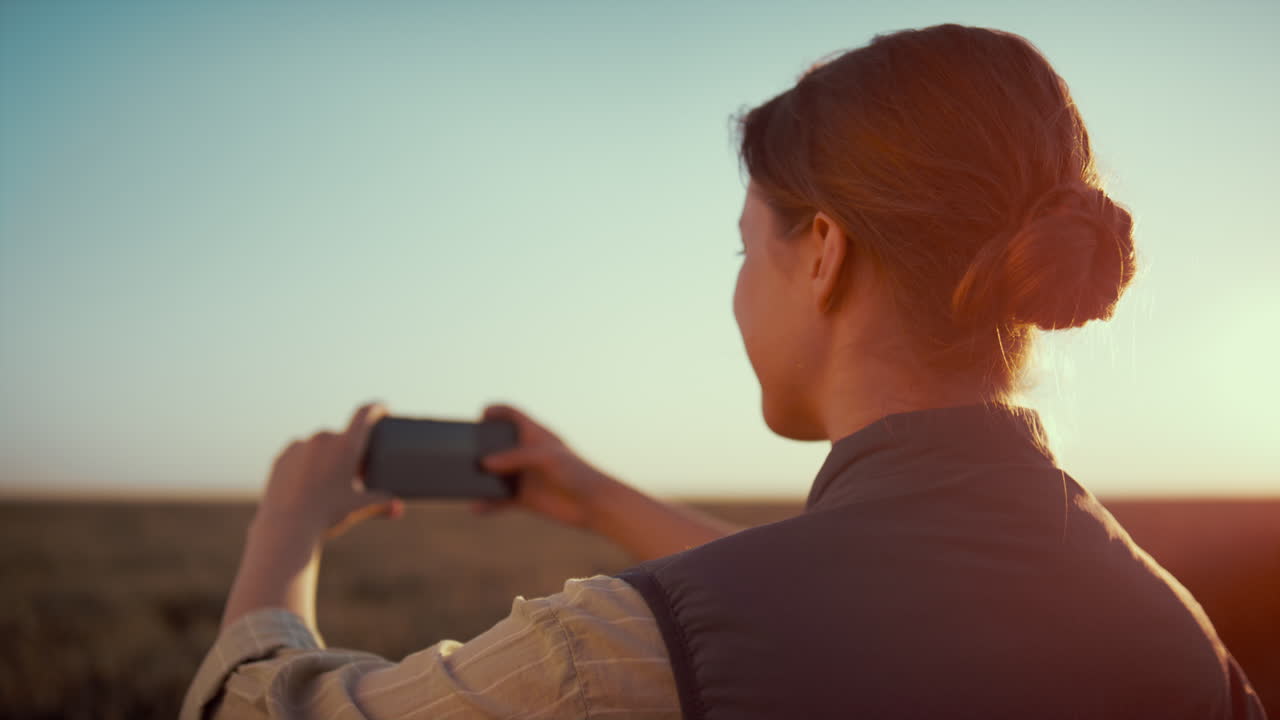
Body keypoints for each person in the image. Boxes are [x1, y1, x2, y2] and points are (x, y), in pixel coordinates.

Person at [180, 22, 1268, 720]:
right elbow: (845, 601)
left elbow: (256, 713)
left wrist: (288, 523)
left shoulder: (602, 657)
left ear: (825, 254)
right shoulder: (1171, 632)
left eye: (744, 249)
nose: (739, 291)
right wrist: (594, 497)